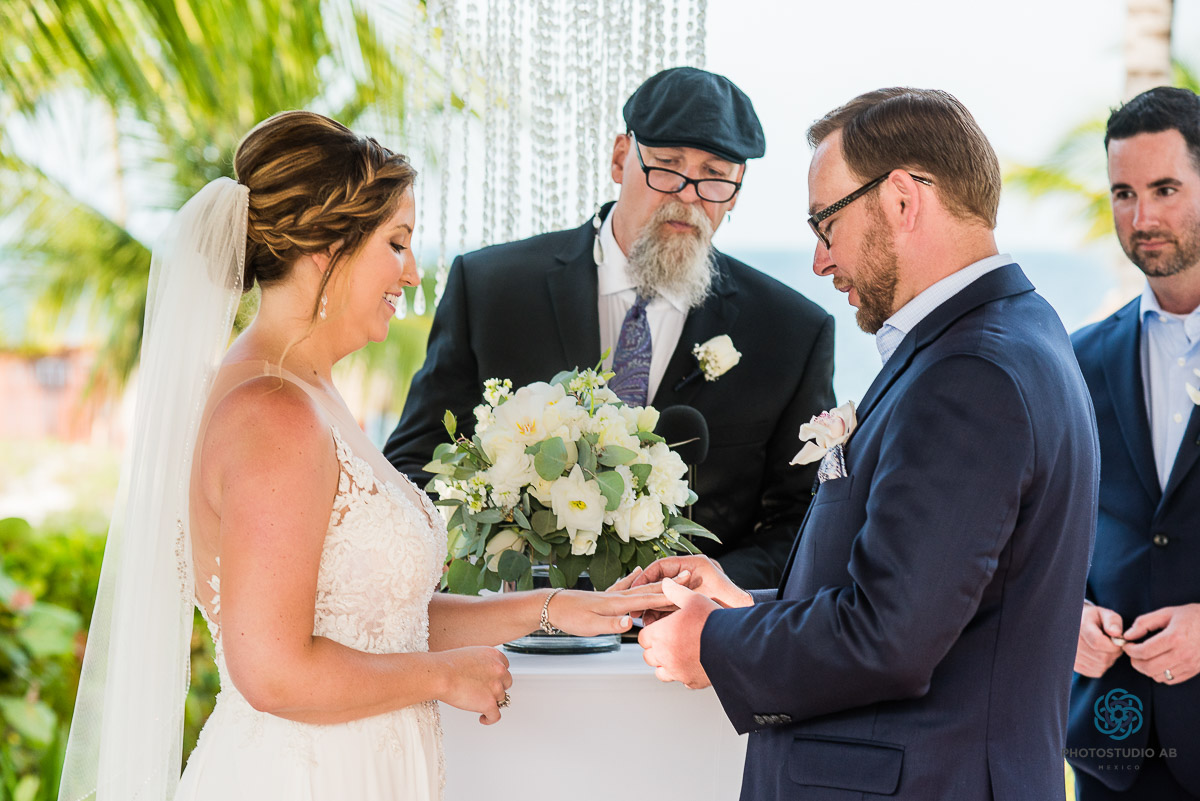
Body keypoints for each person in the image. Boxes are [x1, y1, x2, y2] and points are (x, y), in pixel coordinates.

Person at [58, 111, 666, 801]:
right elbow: (273, 672)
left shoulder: (306, 390)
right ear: (328, 247)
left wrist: (552, 607)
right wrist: (446, 675)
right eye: (396, 243)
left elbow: (386, 622)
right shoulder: (272, 411)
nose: (410, 273)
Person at [626, 88, 1100, 800]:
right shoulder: (1013, 336)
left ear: (903, 199)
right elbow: (927, 596)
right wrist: (745, 608)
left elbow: (890, 637)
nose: (820, 260)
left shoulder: (971, 372)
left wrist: (712, 643)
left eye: (827, 223)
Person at [384, 67, 835, 589]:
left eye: (714, 175)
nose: (687, 195)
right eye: (667, 165)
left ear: (735, 192)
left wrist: (696, 586)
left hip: (692, 633)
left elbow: (804, 521)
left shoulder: (790, 333)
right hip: (517, 625)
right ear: (621, 157)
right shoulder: (491, 288)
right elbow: (412, 467)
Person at [1066, 86, 1200, 801]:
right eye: (1124, 193)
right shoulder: (1078, 357)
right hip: (1113, 748)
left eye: (1165, 189)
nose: (1141, 218)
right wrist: (1064, 616)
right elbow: (1034, 531)